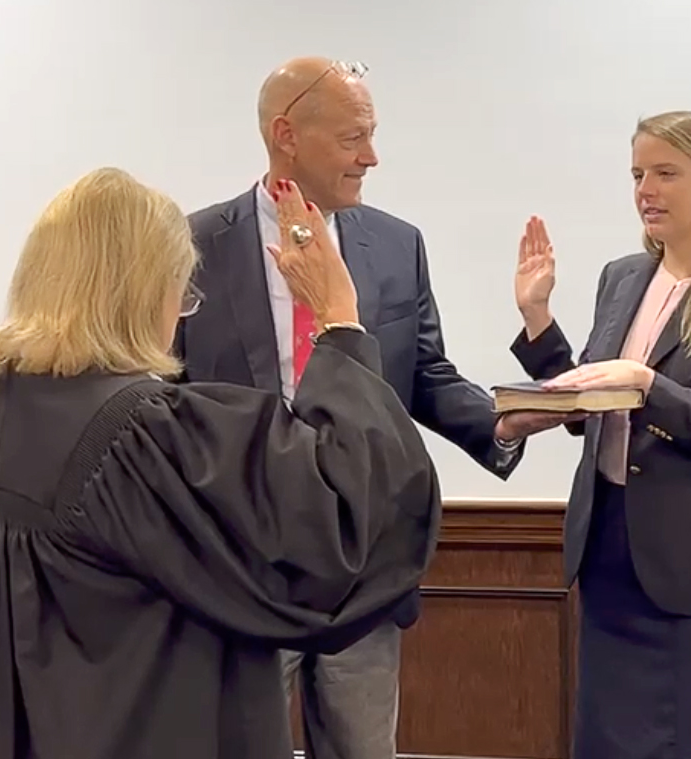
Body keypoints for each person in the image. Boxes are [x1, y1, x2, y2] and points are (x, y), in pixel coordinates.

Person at [0, 168, 445, 759]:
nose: (179, 313)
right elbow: (347, 527)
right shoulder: (149, 437)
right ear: (144, 292)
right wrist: (340, 324)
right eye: (181, 293)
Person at [173, 56, 557, 759]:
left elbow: (422, 372)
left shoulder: (395, 244)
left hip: (365, 575)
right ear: (287, 133)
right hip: (240, 574)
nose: (371, 157)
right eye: (354, 137)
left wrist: (498, 424)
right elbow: (166, 397)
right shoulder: (192, 246)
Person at [509, 111, 691, 759]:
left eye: (666, 173)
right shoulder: (622, 278)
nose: (646, 189)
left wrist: (648, 384)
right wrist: (537, 319)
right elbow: (588, 405)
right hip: (610, 563)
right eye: (638, 173)